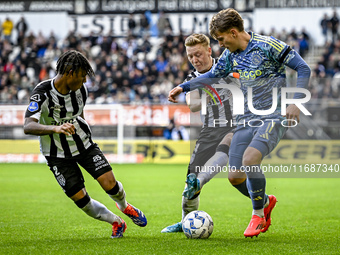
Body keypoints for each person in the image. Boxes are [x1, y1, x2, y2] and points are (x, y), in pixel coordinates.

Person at [168, 9, 311, 238]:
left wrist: (295, 102)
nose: (221, 45)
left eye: (222, 39)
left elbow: (303, 68)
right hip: (246, 119)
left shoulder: (268, 45)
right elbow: (211, 75)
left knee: (250, 159)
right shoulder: (229, 56)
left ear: (233, 33)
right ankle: (265, 201)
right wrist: (184, 87)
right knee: (235, 177)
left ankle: (258, 215)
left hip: (273, 115)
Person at [23, 50, 147, 238]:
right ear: (70, 73)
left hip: (84, 145)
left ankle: (124, 206)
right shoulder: (42, 92)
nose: (84, 82)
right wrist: (55, 129)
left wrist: (83, 131)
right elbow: (28, 125)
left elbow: (79, 114)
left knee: (110, 183)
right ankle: (116, 222)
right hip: (56, 155)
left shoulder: (81, 90)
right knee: (80, 199)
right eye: (82, 77)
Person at [161, 33, 237, 233]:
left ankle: (261, 207)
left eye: (198, 54)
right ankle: (186, 221)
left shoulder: (227, 66)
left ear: (209, 51)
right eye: (190, 56)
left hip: (235, 124)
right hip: (209, 130)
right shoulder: (192, 78)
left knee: (225, 148)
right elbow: (193, 104)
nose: (195, 60)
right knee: (190, 180)